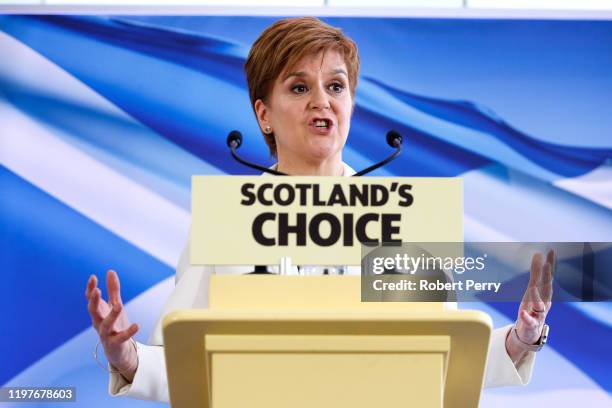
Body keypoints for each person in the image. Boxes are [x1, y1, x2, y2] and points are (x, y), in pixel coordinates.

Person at [85, 17, 555, 402]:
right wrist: (126, 357)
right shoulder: (229, 215)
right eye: (297, 88)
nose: (321, 102)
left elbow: (444, 355)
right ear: (263, 114)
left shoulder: (401, 216)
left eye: (336, 86)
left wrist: (522, 337)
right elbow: (185, 360)